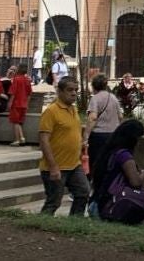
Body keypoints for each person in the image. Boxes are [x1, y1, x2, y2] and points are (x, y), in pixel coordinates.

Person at [89, 119, 144, 226]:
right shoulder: (124, 156)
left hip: (96, 204)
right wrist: (143, 174)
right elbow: (135, 182)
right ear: (133, 139)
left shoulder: (109, 152)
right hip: (112, 208)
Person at [38, 77, 89, 216]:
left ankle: (75, 223)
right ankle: (40, 225)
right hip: (55, 166)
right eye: (69, 90)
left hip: (74, 164)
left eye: (76, 90)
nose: (74, 93)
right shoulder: (51, 111)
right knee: (54, 201)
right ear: (59, 91)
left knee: (83, 192)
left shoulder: (73, 109)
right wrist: (53, 166)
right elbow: (44, 140)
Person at [85, 74, 122, 171]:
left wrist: (86, 136)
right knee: (110, 162)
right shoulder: (113, 97)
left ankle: (96, 183)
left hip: (99, 136)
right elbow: (120, 116)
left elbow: (92, 118)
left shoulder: (95, 98)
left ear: (93, 86)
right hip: (113, 135)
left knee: (97, 162)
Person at [8, 63, 33, 145]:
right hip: (24, 104)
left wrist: (10, 102)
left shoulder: (16, 79)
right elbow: (29, 94)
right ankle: (22, 138)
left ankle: (17, 140)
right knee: (19, 122)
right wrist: (27, 104)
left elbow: (13, 92)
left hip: (16, 103)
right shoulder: (27, 80)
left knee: (15, 122)